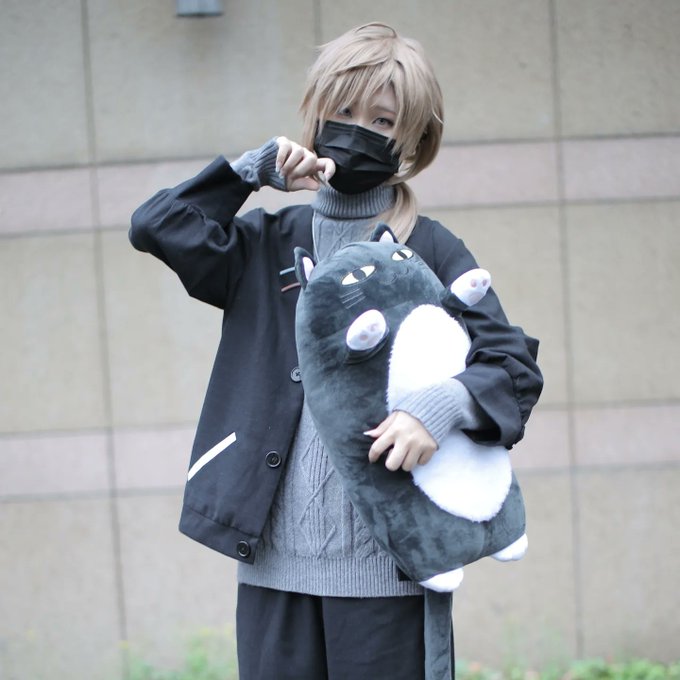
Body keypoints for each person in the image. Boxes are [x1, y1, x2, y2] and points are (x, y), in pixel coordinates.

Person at [129, 22, 543, 680]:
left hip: (390, 574)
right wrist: (250, 172)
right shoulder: (264, 242)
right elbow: (157, 225)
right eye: (343, 111)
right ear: (316, 114)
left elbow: (511, 367)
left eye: (382, 120)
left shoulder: (430, 248)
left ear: (413, 141)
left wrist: (437, 409)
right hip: (274, 572)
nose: (357, 130)